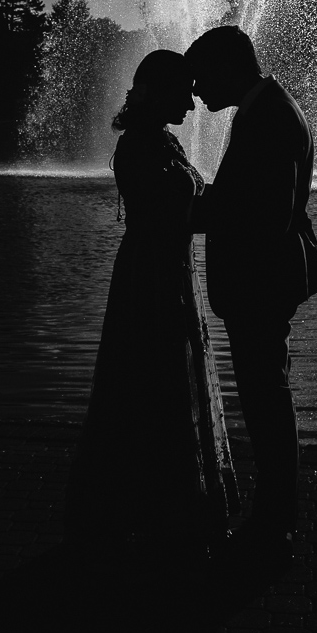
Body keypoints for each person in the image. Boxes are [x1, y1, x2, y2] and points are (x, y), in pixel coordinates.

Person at [65, 49, 239, 560]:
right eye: (183, 89)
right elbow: (175, 214)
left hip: (170, 269)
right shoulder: (139, 146)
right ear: (160, 91)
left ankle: (162, 507)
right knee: (151, 379)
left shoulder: (161, 141)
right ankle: (152, 510)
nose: (192, 100)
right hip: (151, 275)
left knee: (166, 381)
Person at [185, 26, 317, 565]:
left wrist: (187, 213)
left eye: (202, 77)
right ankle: (274, 518)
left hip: (260, 282)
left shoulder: (267, 113)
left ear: (228, 68)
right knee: (267, 395)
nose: (197, 91)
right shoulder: (268, 105)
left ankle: (274, 527)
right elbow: (256, 198)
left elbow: (266, 210)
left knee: (266, 400)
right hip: (263, 279)